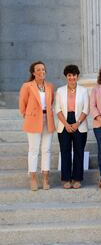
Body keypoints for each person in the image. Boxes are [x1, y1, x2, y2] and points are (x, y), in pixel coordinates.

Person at [19, 61, 56, 191]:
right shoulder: (27, 86)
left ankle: (46, 178)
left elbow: (50, 102)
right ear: (33, 73)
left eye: (43, 69)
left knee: (46, 150)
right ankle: (33, 178)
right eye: (38, 70)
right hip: (33, 119)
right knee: (34, 150)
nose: (41, 72)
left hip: (48, 119)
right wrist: (28, 115)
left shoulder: (50, 86)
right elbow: (22, 104)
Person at [55, 65, 89, 189]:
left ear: (77, 76)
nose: (72, 77)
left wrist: (77, 123)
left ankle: (77, 179)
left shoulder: (84, 90)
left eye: (74, 75)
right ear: (66, 76)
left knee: (79, 152)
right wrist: (66, 124)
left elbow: (86, 109)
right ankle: (66, 179)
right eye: (69, 75)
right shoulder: (60, 90)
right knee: (65, 152)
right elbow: (57, 109)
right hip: (64, 123)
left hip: (79, 123)